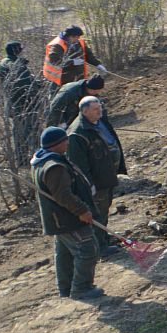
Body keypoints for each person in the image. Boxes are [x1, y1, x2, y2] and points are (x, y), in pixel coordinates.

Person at [32, 126, 102, 300]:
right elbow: (63, 195)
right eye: (65, 140)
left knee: (64, 254)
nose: (67, 143)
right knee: (87, 249)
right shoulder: (54, 167)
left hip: (57, 220)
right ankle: (81, 289)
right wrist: (82, 210)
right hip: (67, 218)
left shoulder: (42, 161)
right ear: (57, 144)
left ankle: (66, 288)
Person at [66, 96, 126, 255]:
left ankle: (104, 239)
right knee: (97, 213)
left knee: (104, 209)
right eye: (95, 109)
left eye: (100, 107)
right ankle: (100, 247)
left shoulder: (99, 121)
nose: (99, 110)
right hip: (96, 182)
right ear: (85, 111)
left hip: (107, 177)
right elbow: (79, 166)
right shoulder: (77, 134)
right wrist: (89, 186)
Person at [0, 41, 44, 168]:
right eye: (19, 49)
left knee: (19, 133)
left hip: (13, 104)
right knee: (31, 131)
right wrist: (36, 92)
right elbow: (25, 85)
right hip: (24, 104)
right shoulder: (16, 65)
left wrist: (36, 82)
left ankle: (22, 160)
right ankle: (39, 158)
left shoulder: (3, 63)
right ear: (15, 50)